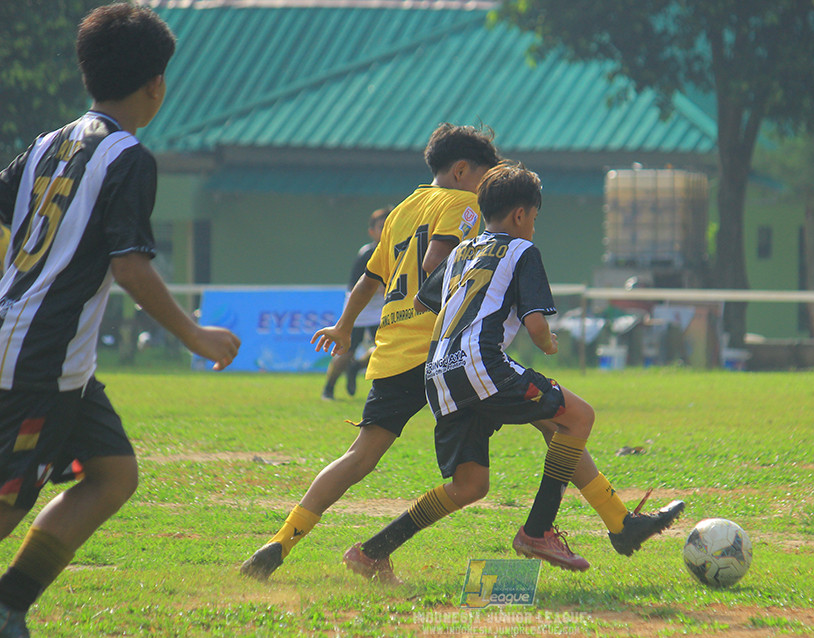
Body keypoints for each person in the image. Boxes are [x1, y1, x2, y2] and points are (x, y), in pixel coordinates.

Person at [0, 6, 241, 638]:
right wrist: (195, 334)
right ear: (157, 84)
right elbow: (130, 265)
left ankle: (8, 609)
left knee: (113, 473)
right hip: (38, 362)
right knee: (6, 505)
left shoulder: (44, 146)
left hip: (56, 359)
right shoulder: (128, 157)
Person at [342, 163, 684, 582]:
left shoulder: (459, 255)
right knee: (578, 417)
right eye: (535, 219)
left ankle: (373, 551)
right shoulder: (523, 251)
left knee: (469, 485)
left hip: (438, 374)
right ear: (521, 215)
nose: (535, 229)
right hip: (481, 365)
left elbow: (432, 299)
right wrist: (548, 344)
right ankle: (538, 531)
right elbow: (537, 326)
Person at [240, 123, 501, 581]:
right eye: (486, 176)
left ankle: (282, 540)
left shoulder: (401, 211)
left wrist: (344, 326)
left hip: (394, 348)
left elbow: (370, 279)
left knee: (359, 457)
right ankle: (604, 518)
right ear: (462, 170)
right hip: (442, 348)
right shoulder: (464, 204)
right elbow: (438, 266)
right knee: (548, 412)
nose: (489, 189)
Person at [321, 208, 389, 400]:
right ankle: (329, 388)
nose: (386, 230)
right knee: (345, 351)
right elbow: (360, 287)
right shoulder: (366, 254)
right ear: (372, 232)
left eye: (389, 226)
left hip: (381, 306)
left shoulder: (397, 251)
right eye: (382, 227)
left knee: (386, 347)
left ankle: (357, 367)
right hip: (359, 307)